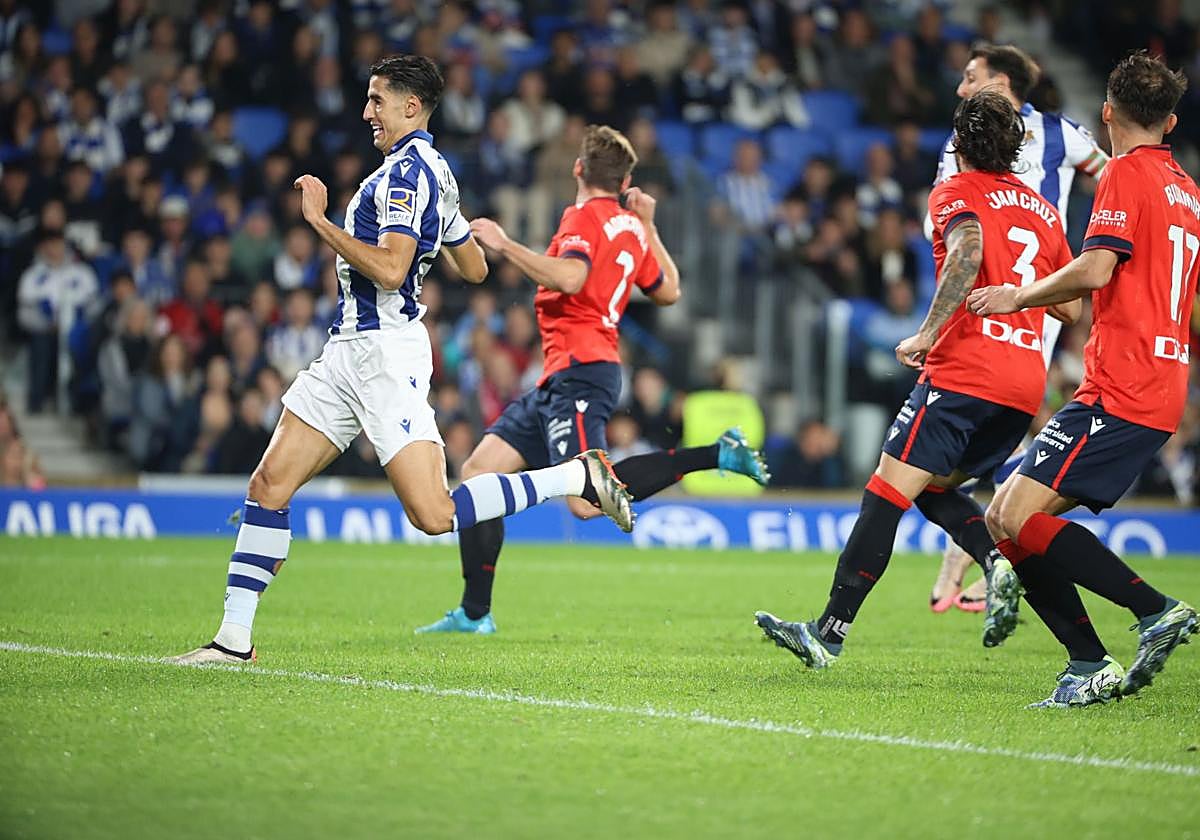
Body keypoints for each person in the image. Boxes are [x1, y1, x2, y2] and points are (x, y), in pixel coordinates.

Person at [169, 56, 634, 666]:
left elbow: (391, 268)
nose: (368, 113)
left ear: (410, 106)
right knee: (269, 485)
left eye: (376, 101)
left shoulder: (410, 176)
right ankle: (233, 641)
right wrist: (445, 229)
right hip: (348, 350)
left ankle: (573, 477)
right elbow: (474, 268)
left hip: (385, 353)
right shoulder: (431, 173)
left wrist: (321, 222)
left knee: (435, 513)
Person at [755, 91, 1079, 668]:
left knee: (884, 493)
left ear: (958, 143)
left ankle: (827, 632)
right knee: (933, 487)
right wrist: (1022, 294)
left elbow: (967, 253)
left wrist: (929, 332)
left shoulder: (954, 191)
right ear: (1017, 146)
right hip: (1023, 384)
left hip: (965, 373)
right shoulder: (1044, 210)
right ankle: (995, 561)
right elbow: (1072, 309)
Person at [416, 124, 769, 635]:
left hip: (582, 373)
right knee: (477, 472)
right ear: (626, 179)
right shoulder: (630, 226)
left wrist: (504, 244)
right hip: (563, 377)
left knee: (585, 504)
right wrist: (649, 225)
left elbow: (571, 277)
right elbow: (668, 290)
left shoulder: (582, 217)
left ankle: (717, 454)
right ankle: (475, 614)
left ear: (579, 169)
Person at [968, 52, 1199, 707]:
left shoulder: (1128, 172)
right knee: (1006, 518)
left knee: (1010, 514)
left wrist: (1019, 295)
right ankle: (1088, 665)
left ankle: (1153, 611)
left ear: (1107, 111)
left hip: (1123, 383)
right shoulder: (1188, 189)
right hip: (1161, 380)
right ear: (1172, 120)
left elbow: (1097, 269)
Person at [926, 43, 1109, 613]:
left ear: (1002, 81)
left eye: (971, 76)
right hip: (981, 292)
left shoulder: (1059, 132)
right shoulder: (963, 141)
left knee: (1013, 416)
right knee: (1004, 421)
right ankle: (977, 555)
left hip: (1030, 297)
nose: (961, 88)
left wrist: (1097, 250)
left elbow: (1114, 177)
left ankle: (981, 555)